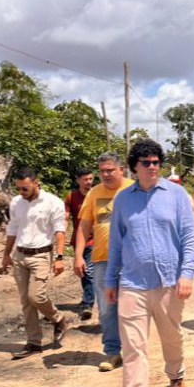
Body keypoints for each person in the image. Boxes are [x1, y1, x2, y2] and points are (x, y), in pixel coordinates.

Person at [104, 138, 194, 387]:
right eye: (146, 162)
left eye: (157, 161)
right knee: (133, 347)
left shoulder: (176, 195)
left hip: (170, 281)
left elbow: (189, 237)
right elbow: (116, 243)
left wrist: (187, 273)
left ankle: (176, 374)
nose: (153, 166)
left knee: (171, 336)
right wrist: (110, 280)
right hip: (132, 283)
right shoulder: (123, 200)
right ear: (134, 167)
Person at [74, 153, 133, 372]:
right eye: (102, 171)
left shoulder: (133, 190)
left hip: (132, 261)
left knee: (131, 308)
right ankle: (112, 352)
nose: (106, 174)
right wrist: (78, 255)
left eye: (110, 170)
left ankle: (133, 351)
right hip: (102, 260)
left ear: (121, 169)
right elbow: (84, 226)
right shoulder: (94, 193)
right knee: (107, 309)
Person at [2, 167, 68, 359]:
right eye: (19, 189)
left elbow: (59, 231)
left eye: (25, 188)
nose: (21, 193)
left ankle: (58, 318)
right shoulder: (16, 202)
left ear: (36, 183)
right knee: (26, 301)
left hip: (41, 255)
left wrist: (60, 257)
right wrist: (6, 255)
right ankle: (33, 342)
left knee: (36, 296)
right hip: (20, 255)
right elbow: (12, 229)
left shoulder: (53, 202)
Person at [65, 168, 95, 321]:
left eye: (90, 178)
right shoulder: (71, 197)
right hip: (79, 239)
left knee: (89, 270)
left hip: (95, 240)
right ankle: (88, 298)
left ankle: (88, 304)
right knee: (82, 270)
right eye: (85, 179)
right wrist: (61, 233)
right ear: (78, 180)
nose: (88, 182)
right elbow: (65, 217)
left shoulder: (97, 195)